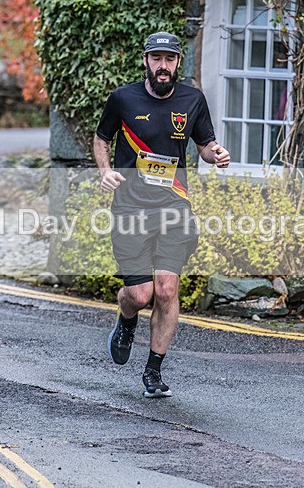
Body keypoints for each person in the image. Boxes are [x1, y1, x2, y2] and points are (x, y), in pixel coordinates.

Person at [94, 31, 230, 398]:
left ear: (177, 64)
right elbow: (101, 138)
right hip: (130, 207)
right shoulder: (123, 98)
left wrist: (215, 153)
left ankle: (153, 371)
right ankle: (125, 322)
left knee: (167, 289)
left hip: (173, 205)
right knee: (139, 295)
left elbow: (203, 146)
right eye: (157, 58)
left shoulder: (192, 100)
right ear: (146, 61)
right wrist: (105, 170)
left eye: (169, 59)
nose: (163, 65)